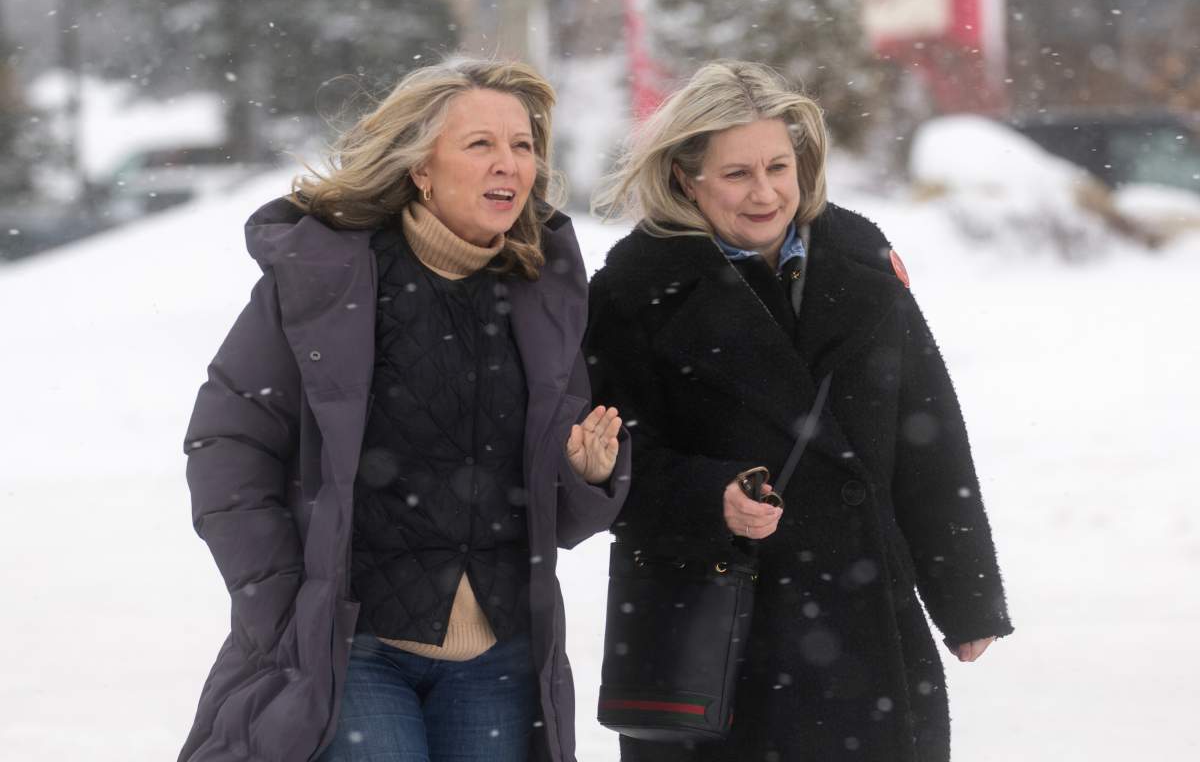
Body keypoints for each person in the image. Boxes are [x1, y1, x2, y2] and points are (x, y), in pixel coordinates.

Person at [179, 58, 630, 762]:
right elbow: (227, 444)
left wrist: (585, 476)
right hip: (357, 649)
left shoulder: (546, 295)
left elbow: (560, 520)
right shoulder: (326, 284)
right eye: (480, 144)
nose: (508, 164)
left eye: (522, 144)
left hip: (502, 655)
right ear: (421, 167)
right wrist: (281, 609)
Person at [586, 60, 1012, 762]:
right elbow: (612, 466)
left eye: (778, 167)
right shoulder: (636, 290)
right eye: (737, 174)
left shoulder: (860, 258)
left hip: (868, 622)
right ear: (686, 178)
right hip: (720, 641)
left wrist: (964, 596)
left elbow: (928, 437)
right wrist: (709, 497)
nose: (766, 193)